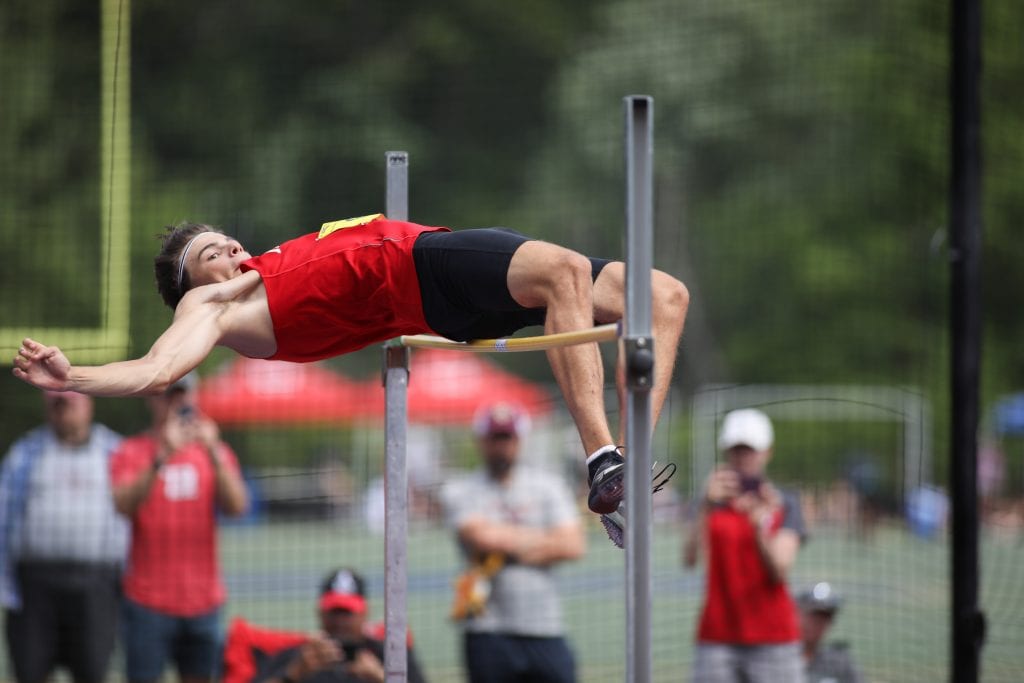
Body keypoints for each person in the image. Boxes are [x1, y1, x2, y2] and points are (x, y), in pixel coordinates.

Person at [12, 214, 688, 535]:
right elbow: (158, 368)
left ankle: (626, 475)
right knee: (565, 270)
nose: (230, 248)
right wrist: (75, 377)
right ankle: (602, 458)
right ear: (195, 284)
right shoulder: (214, 305)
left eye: (226, 238)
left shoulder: (258, 272)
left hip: (435, 270)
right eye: (210, 253)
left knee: (664, 297)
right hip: (421, 269)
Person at [110, 372, 249, 683]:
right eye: (168, 395)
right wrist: (163, 455)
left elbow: (237, 507)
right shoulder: (132, 450)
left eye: (182, 394)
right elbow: (123, 505)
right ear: (152, 399)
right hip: (147, 601)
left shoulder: (214, 452)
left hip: (203, 602)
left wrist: (213, 452)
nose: (175, 403)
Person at [440, 402, 585, 683]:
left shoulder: (548, 486)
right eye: (495, 438)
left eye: (507, 438)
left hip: (544, 624)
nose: (501, 446)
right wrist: (546, 540)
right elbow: (481, 538)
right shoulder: (461, 489)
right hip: (486, 627)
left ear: (520, 440)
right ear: (481, 441)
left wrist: (507, 545)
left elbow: (573, 545)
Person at [0, 390, 128, 683]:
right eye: (56, 405)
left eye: (69, 404)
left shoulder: (114, 451)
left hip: (96, 585)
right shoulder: (26, 452)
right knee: (30, 671)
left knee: (92, 671)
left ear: (88, 405)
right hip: (36, 586)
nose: (63, 412)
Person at [682, 408, 807, 683]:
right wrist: (705, 505)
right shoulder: (710, 502)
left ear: (767, 453)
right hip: (717, 634)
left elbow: (779, 571)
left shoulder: (784, 502)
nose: (743, 458)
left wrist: (760, 527)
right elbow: (689, 558)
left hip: (773, 636)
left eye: (750, 450)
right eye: (736, 450)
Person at [254, 567, 428, 683]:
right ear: (320, 613)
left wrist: (381, 677)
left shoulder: (391, 656)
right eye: (334, 612)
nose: (340, 621)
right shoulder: (300, 657)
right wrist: (294, 674)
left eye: (347, 613)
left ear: (365, 613)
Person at [797, 582, 865, 683]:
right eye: (813, 615)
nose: (818, 623)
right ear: (796, 613)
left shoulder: (839, 663)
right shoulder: (778, 658)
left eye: (825, 617)